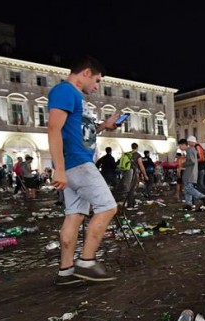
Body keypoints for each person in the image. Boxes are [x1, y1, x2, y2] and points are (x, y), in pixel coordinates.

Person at [47, 55, 120, 285]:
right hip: (76, 163)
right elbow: (53, 129)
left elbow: (79, 133)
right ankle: (87, 262)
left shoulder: (74, 97)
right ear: (86, 73)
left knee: (75, 215)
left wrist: (104, 126)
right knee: (108, 207)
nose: (97, 87)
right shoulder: (65, 91)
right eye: (97, 80)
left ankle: (66, 271)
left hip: (74, 162)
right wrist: (59, 168)